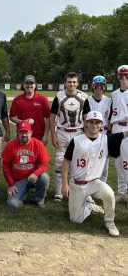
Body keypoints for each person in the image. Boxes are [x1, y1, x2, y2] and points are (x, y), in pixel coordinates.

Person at [61, 111, 128, 237]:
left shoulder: (106, 139)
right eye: (91, 122)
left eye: (97, 122)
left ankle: (110, 222)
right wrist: (65, 184)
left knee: (109, 193)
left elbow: (124, 133)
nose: (94, 125)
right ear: (86, 123)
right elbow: (65, 163)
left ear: (102, 125)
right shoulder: (76, 140)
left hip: (94, 183)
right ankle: (90, 206)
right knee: (76, 220)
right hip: (76, 184)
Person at [50, 72, 88, 201]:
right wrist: (53, 135)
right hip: (62, 132)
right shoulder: (59, 97)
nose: (71, 84)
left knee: (77, 162)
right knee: (60, 161)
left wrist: (87, 135)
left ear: (78, 83)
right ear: (65, 83)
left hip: (78, 132)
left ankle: (74, 189)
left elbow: (86, 118)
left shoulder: (84, 97)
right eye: (69, 82)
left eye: (74, 82)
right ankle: (59, 191)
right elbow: (52, 117)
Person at [2, 120, 50, 208]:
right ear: (17, 133)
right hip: (18, 180)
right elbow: (6, 167)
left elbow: (45, 165)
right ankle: (21, 198)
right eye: (21, 132)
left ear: (31, 132)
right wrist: (11, 184)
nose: (24, 135)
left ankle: (39, 200)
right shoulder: (10, 146)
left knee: (44, 177)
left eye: (26, 132)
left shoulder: (38, 144)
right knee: (13, 204)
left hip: (33, 178)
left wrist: (36, 174)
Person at [82, 75, 111, 182]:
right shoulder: (87, 100)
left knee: (104, 164)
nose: (99, 89)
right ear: (93, 87)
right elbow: (85, 119)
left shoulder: (109, 101)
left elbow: (111, 120)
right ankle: (89, 186)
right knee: (90, 162)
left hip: (104, 134)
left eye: (101, 86)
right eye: (96, 86)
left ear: (105, 87)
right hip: (91, 134)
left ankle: (103, 187)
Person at [10, 75, 51, 145]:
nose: (29, 85)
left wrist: (46, 135)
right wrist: (23, 122)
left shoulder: (43, 99)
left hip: (39, 136)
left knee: (38, 156)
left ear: (35, 85)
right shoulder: (17, 100)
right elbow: (12, 117)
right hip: (22, 136)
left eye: (31, 83)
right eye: (27, 83)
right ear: (23, 85)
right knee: (23, 156)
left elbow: (48, 117)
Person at [110, 65, 128, 203]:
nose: (124, 79)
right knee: (118, 162)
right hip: (116, 128)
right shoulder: (114, 94)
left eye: (127, 76)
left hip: (127, 130)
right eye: (121, 76)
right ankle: (122, 192)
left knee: (127, 163)